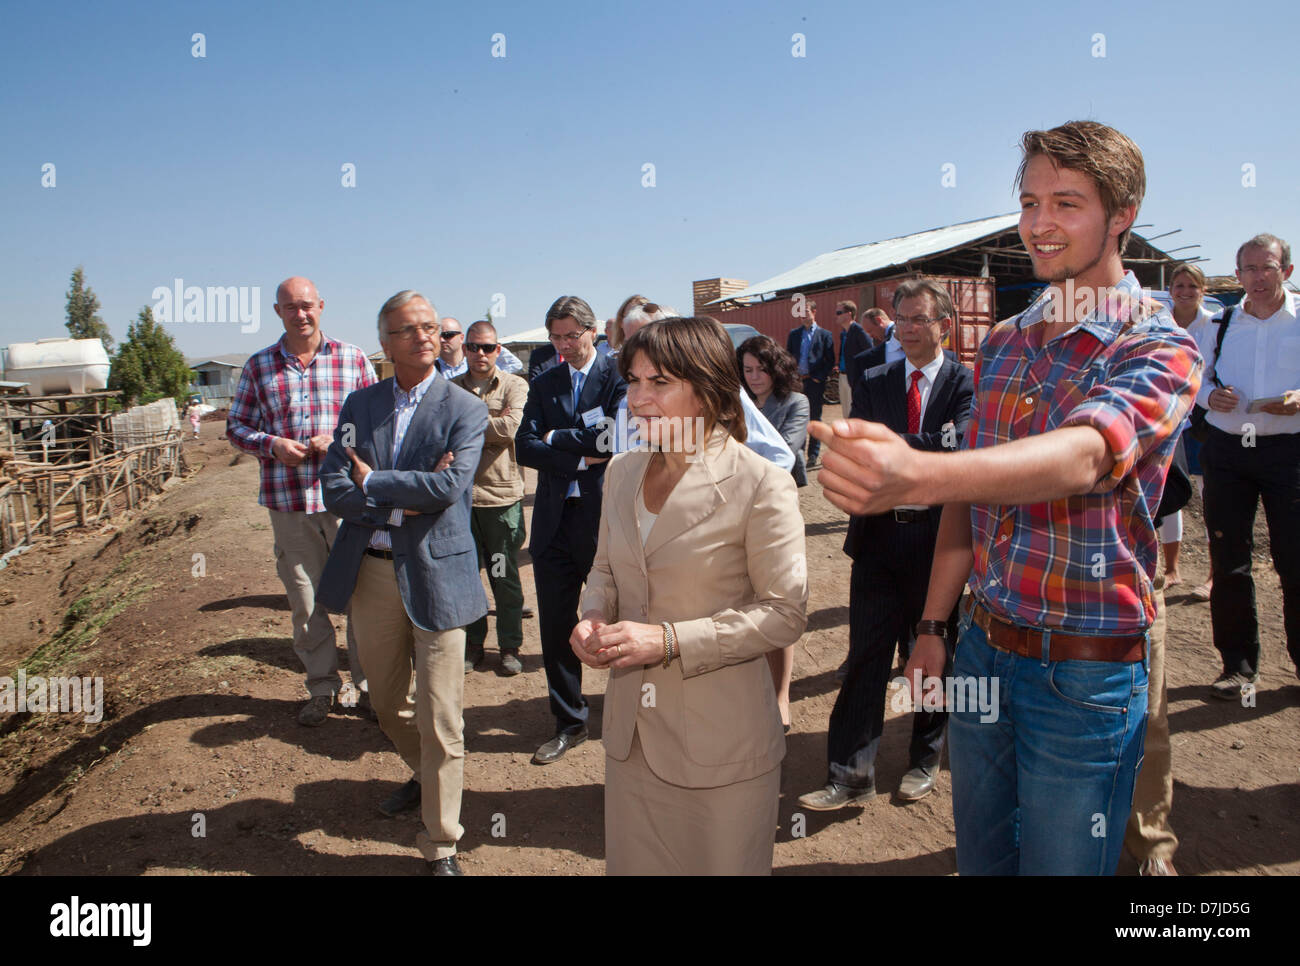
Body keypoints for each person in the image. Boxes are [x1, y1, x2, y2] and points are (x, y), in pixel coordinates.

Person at [812, 120, 1202, 875]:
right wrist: (933, 625)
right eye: (1028, 202)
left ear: (1122, 214)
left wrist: (915, 475)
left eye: (1066, 202)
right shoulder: (1005, 342)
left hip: (1085, 672)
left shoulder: (1158, 342)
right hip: (987, 648)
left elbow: (1088, 456)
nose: (1039, 224)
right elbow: (975, 495)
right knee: (983, 863)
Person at [570, 315, 808, 875]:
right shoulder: (622, 473)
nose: (637, 398)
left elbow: (784, 614)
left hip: (721, 744)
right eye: (632, 381)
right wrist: (593, 615)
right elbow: (605, 568)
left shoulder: (759, 482)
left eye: (659, 383)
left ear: (707, 387)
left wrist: (669, 641)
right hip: (631, 741)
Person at [316, 290, 487, 877]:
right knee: (386, 704)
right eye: (407, 330)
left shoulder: (465, 408)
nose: (423, 338)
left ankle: (441, 843)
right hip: (372, 575)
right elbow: (333, 487)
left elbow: (447, 490)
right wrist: (399, 497)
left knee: (442, 717)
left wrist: (376, 482)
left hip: (440, 575)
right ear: (384, 343)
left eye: (430, 329)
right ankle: (424, 774)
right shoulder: (358, 406)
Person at [800, 278, 974, 812]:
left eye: (920, 319)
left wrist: (893, 446)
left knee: (930, 652)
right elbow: (860, 446)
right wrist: (916, 447)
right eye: (903, 318)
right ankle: (850, 772)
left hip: (940, 542)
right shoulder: (874, 377)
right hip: (878, 537)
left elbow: (960, 443)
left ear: (944, 324)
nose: (910, 328)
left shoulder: (966, 382)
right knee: (866, 656)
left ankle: (925, 757)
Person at [227, 276, 376, 726]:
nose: (301, 314)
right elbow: (235, 427)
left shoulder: (352, 360)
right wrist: (272, 445)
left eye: (307, 305)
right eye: (290, 307)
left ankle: (369, 689)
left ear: (322, 306)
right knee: (305, 601)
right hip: (288, 502)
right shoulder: (258, 366)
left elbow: (380, 422)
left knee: (363, 596)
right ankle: (322, 688)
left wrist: (340, 440)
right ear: (278, 312)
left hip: (346, 499)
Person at [515, 296, 627, 764]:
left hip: (606, 522)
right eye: (555, 337)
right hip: (555, 524)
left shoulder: (619, 377)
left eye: (571, 336)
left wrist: (555, 439)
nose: (563, 345)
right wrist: (580, 454)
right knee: (559, 625)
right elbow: (523, 446)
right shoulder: (545, 382)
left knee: (623, 619)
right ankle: (569, 722)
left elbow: (614, 438)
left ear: (593, 331)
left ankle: (633, 715)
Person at [1199, 233, 1300, 699]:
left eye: (1269, 268)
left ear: (1288, 271)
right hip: (1227, 452)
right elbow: (1190, 378)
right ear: (1237, 275)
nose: (1259, 278)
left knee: (1295, 561)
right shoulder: (1217, 324)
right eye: (1250, 270)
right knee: (1230, 562)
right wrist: (1208, 396)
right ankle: (1237, 668)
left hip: (1289, 452)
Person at [615, 302, 794, 471]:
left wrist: (730, 495)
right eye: (629, 341)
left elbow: (778, 456)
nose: (637, 350)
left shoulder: (722, 392)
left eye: (648, 338)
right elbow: (622, 464)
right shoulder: (629, 402)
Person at [737, 334, 809, 731]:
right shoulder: (735, 400)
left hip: (777, 512)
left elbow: (786, 451)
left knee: (778, 599)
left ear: (776, 368)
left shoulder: (795, 402)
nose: (754, 377)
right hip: (736, 512)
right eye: (746, 370)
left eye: (761, 369)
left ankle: (781, 695)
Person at [453, 320, 529, 676]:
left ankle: (510, 645)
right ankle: (473, 645)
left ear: (498, 350)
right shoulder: (450, 389)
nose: (480, 353)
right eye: (473, 347)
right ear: (464, 349)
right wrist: (488, 419)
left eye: (487, 347)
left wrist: (466, 422)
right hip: (460, 501)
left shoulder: (515, 384)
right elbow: (443, 433)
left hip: (500, 501)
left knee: (504, 576)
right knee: (467, 578)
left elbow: (508, 429)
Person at [1168, 263, 1215, 600]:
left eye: (1192, 286)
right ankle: (1172, 569)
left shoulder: (1215, 323)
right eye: (1179, 285)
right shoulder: (1159, 319)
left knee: (1210, 493)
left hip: (1203, 417)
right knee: (1168, 490)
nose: (1185, 291)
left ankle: (1214, 575)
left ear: (1203, 290)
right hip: (1168, 416)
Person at [786, 299, 835, 468]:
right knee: (798, 418)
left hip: (814, 382)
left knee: (815, 418)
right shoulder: (794, 334)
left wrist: (818, 377)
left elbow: (830, 360)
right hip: (798, 383)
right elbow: (788, 358)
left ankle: (813, 455)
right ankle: (798, 455)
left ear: (814, 312)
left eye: (805, 311)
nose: (802, 315)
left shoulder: (825, 335)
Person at [435, 316, 523, 377]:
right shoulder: (429, 370)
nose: (442, 340)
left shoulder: (479, 365)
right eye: (438, 335)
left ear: (461, 338)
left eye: (448, 335)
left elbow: (516, 364)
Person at [835, 301, 870, 413]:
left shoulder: (858, 331)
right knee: (845, 411)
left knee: (854, 411)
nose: (837, 315)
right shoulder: (843, 333)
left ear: (849, 314)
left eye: (839, 312)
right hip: (843, 376)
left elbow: (870, 352)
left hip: (855, 378)